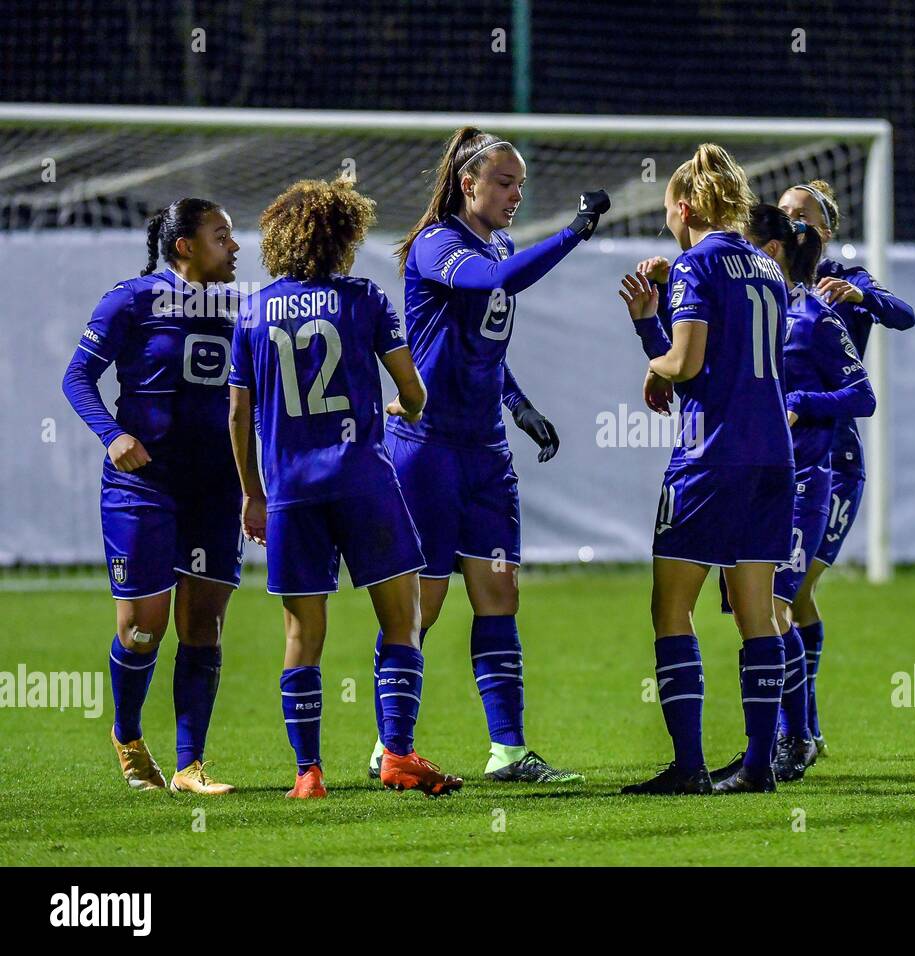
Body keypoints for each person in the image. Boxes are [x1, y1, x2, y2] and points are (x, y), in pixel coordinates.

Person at [378, 126, 609, 784]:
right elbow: (501, 279)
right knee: (421, 605)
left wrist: (519, 404)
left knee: (499, 595)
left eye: (521, 186)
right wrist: (574, 231)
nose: (514, 195)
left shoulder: (498, 241)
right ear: (466, 183)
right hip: (425, 451)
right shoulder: (437, 247)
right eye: (505, 183)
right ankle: (391, 743)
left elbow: (484, 350)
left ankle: (507, 750)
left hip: (485, 455)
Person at [229, 177, 461, 799]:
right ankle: (399, 755)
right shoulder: (364, 299)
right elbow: (413, 393)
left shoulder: (251, 310)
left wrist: (253, 493)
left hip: (290, 494)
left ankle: (308, 774)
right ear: (344, 236)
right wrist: (401, 408)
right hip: (362, 482)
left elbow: (237, 415)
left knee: (302, 636)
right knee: (401, 620)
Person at [618, 144, 794, 795]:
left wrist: (648, 344)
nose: (667, 216)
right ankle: (756, 765)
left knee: (671, 608)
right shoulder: (768, 269)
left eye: (667, 207)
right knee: (758, 615)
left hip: (710, 459)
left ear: (685, 206)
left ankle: (689, 766)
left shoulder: (696, 265)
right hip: (773, 456)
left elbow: (687, 363)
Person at [63, 198, 244, 795]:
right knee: (143, 626)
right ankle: (128, 734)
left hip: (216, 487)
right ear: (184, 247)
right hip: (143, 486)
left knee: (204, 626)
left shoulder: (241, 307)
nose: (236, 248)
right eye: (222, 237)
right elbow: (77, 377)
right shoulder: (132, 300)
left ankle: (191, 765)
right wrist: (112, 435)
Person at [777, 180, 915, 757]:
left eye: (801, 215)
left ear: (825, 230)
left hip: (834, 460)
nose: (791, 221)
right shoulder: (769, 281)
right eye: (783, 212)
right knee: (788, 596)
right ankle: (803, 730)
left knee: (793, 589)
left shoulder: (844, 278)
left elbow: (904, 315)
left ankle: (798, 733)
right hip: (781, 459)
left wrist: (861, 299)